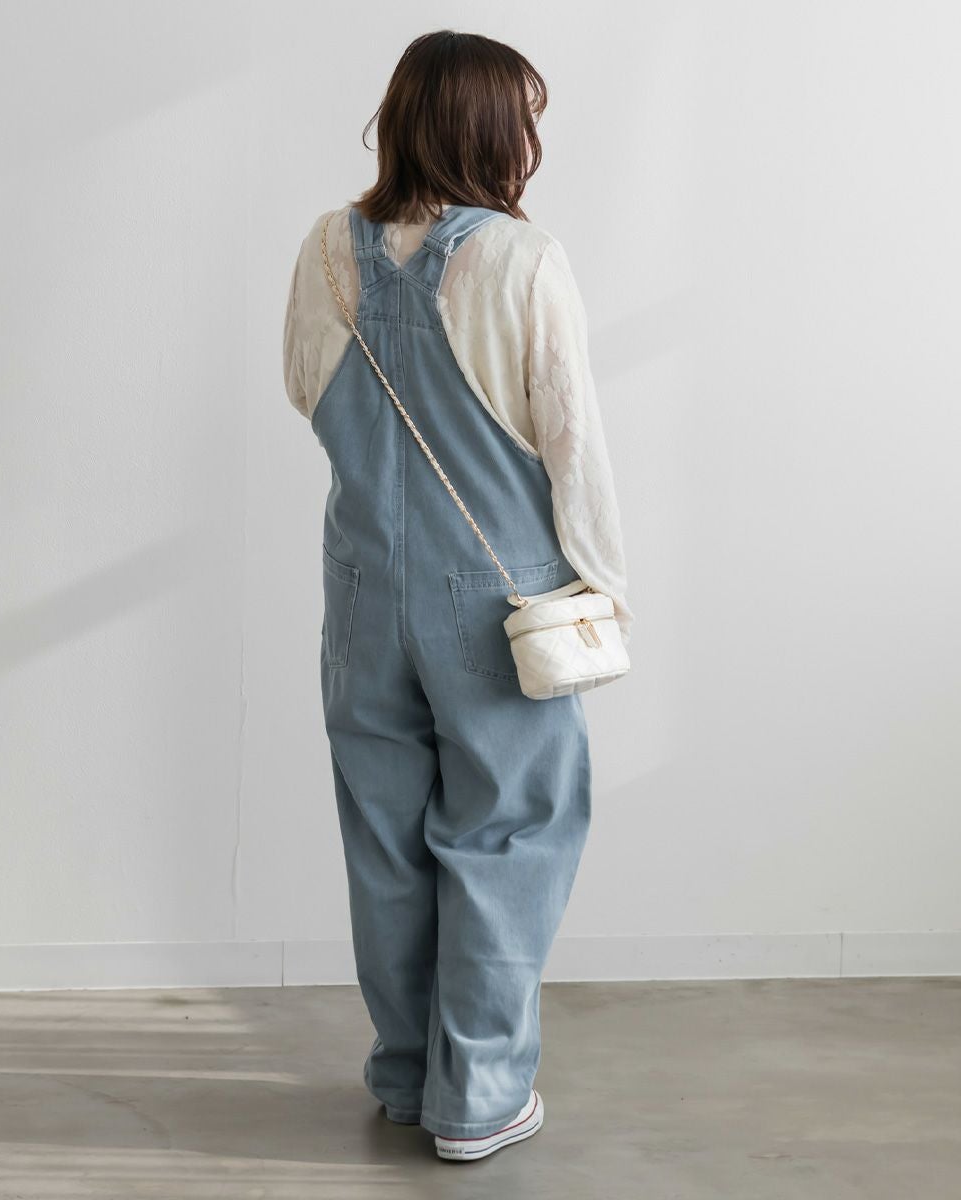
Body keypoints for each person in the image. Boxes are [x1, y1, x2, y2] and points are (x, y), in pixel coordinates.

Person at [282, 29, 634, 1162]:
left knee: (386, 834)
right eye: (524, 118)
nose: (531, 140)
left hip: (360, 587)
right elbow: (571, 441)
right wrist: (603, 584)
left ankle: (404, 1072)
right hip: (495, 596)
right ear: (490, 128)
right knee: (508, 832)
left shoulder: (325, 249)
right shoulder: (522, 259)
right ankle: (477, 1096)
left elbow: (303, 388)